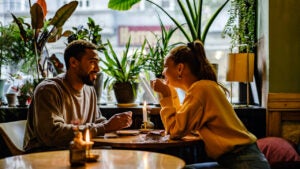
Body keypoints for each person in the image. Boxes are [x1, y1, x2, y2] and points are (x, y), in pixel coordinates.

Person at [150, 40, 270, 169]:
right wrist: (171, 94)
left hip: (243, 162)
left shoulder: (200, 89)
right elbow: (183, 124)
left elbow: (175, 131)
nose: (163, 72)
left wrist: (166, 96)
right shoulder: (204, 87)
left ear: (180, 68)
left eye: (166, 66)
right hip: (241, 159)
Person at [23, 40, 132, 153]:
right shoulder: (48, 90)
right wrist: (105, 127)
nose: (98, 69)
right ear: (74, 62)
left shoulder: (89, 89)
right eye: (92, 62)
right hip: (44, 156)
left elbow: (97, 121)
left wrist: (116, 124)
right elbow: (52, 135)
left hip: (77, 151)